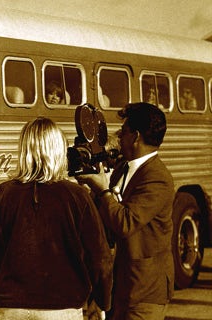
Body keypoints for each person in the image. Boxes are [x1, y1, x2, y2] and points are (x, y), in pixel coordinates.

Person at [0, 117, 112, 320]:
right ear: (58, 150)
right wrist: (102, 300)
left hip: (10, 307)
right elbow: (100, 256)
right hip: (62, 308)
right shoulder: (77, 196)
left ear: (24, 150)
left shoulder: (4, 194)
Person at [76, 102, 174, 320]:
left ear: (136, 137)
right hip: (120, 286)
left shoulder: (157, 178)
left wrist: (102, 190)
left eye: (124, 131)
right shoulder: (123, 168)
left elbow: (126, 223)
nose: (119, 136)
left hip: (145, 290)